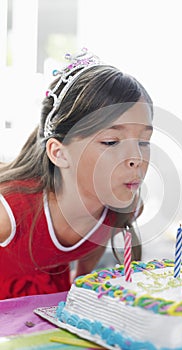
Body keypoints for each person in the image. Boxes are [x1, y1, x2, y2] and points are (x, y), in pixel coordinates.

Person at [0, 48, 153, 299]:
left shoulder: (122, 211)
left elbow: (94, 241)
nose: (136, 158)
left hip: (50, 305)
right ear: (59, 153)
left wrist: (81, 280)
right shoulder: (8, 214)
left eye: (144, 142)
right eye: (112, 142)